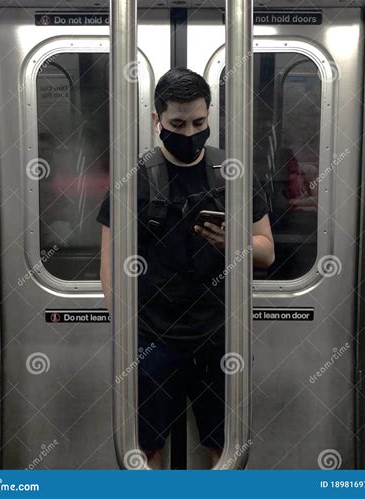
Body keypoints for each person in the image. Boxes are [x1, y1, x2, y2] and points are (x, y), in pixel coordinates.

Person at [97, 68, 275, 469]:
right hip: (152, 335)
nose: (190, 132)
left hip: (218, 334)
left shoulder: (233, 173)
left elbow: (266, 252)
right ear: (156, 120)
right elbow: (109, 264)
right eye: (177, 123)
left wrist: (236, 242)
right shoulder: (133, 180)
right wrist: (125, 333)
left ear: (210, 115)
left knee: (227, 447)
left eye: (199, 122)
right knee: (143, 450)